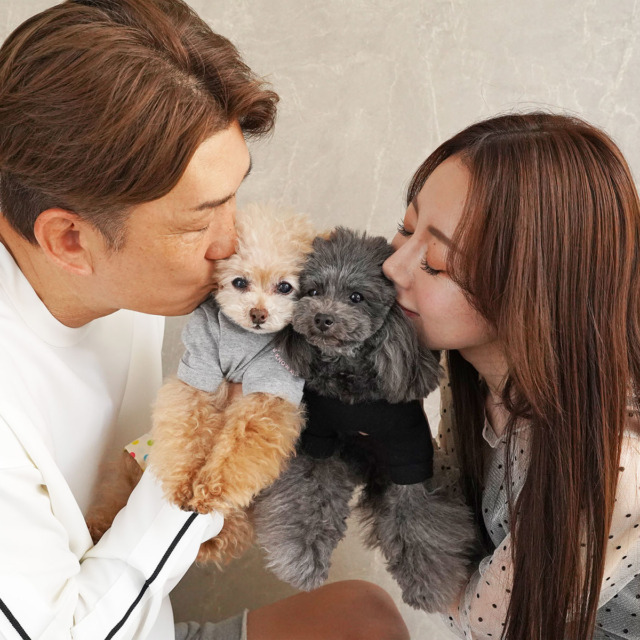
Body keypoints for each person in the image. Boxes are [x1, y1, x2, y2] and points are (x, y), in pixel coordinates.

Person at [0, 1, 410, 639]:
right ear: (70, 241)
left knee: (364, 617)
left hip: (142, 617)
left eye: (233, 196)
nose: (231, 242)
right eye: (199, 223)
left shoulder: (128, 278)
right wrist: (210, 453)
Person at [382, 112, 640, 640]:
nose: (394, 266)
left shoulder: (616, 466)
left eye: (435, 261)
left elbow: (487, 623)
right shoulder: (475, 369)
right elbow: (451, 499)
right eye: (406, 229)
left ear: (534, 286)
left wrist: (385, 461)